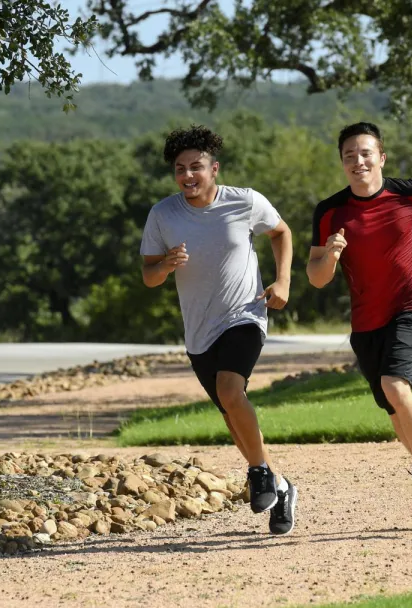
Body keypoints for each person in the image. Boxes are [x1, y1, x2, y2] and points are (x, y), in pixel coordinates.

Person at [306, 121, 412, 529]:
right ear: (342, 163)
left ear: (381, 157)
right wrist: (331, 256)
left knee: (395, 385)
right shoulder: (330, 212)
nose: (358, 161)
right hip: (365, 323)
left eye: (365, 153)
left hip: (411, 307)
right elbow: (316, 277)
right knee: (395, 410)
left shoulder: (410, 193)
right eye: (349, 155)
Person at [139, 124, 297, 535]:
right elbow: (149, 277)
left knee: (231, 390)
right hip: (199, 331)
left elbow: (281, 232)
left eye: (196, 167)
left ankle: (259, 473)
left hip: (245, 314)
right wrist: (165, 266)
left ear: (214, 168)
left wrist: (283, 280)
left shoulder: (244, 201)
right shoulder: (163, 214)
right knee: (232, 414)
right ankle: (279, 486)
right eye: (180, 169)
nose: (187, 175)